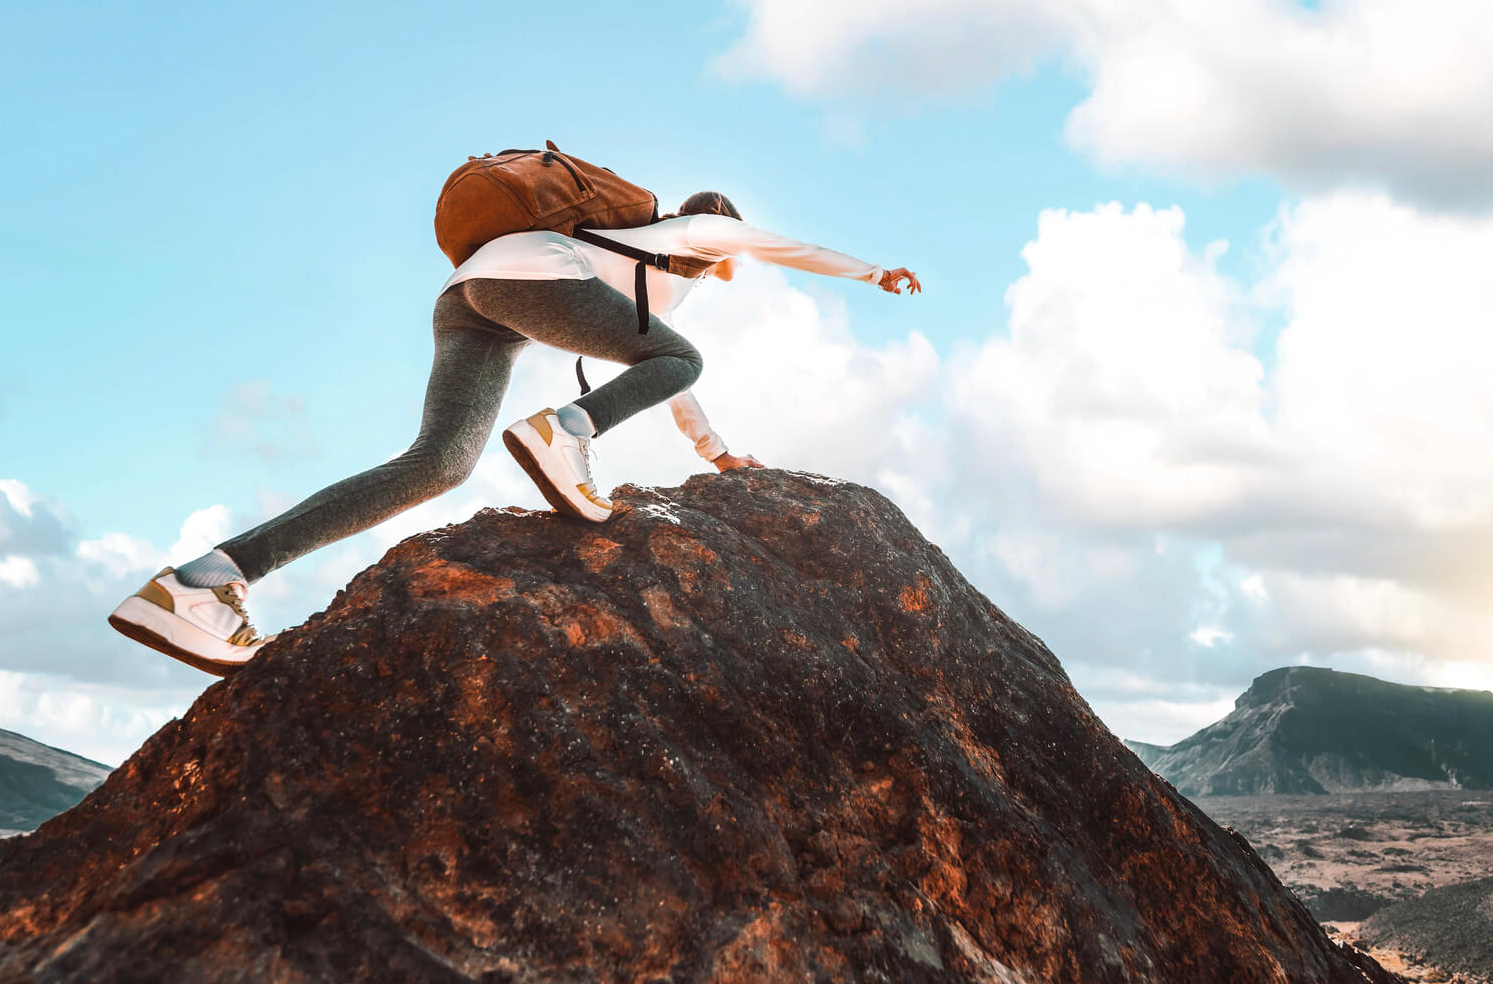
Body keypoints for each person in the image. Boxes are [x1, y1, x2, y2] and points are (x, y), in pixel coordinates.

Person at [108, 190, 922, 676]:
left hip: (473, 295)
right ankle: (564, 431)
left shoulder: (653, 282)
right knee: (681, 358)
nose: (726, 260)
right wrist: (870, 270)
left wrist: (715, 454)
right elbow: (763, 247)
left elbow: (669, 378)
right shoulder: (691, 232)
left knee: (438, 464)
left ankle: (201, 581)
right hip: (524, 279)